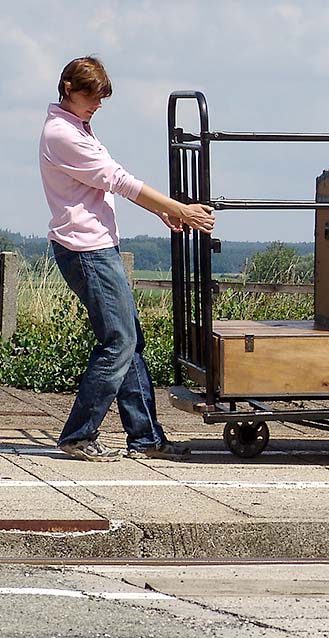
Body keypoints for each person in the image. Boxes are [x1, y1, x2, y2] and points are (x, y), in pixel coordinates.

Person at [39, 56, 215, 462]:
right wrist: (180, 209)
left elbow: (111, 180)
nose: (98, 105)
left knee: (128, 340)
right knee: (119, 342)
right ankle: (78, 436)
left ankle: (145, 437)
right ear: (68, 88)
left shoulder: (77, 126)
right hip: (86, 249)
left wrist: (166, 211)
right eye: (92, 97)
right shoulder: (63, 134)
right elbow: (118, 180)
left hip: (95, 245)